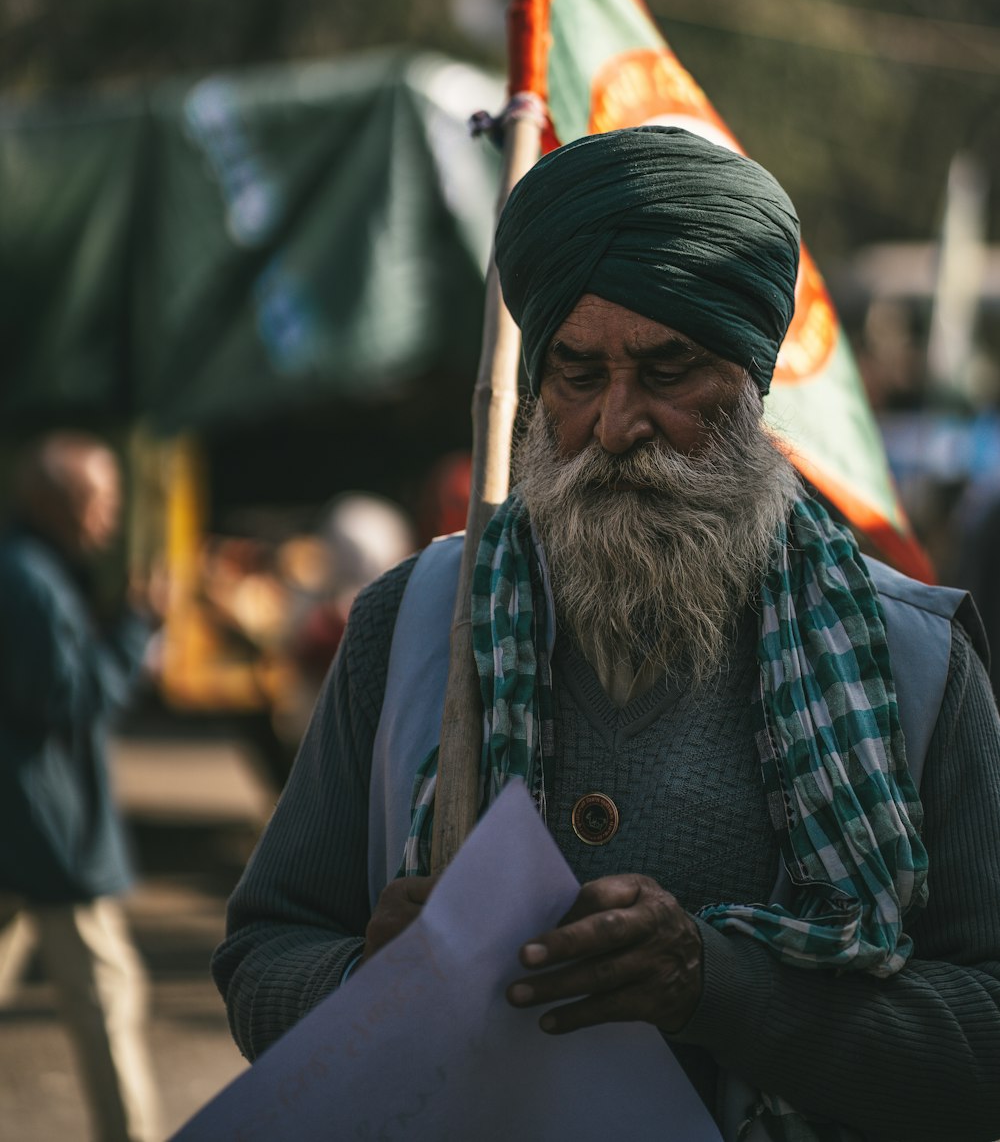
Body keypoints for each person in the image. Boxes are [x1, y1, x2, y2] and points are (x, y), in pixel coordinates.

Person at [212, 128, 1000, 1142]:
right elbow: (261, 959)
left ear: (751, 380)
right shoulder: (412, 626)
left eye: (667, 371)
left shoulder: (914, 661)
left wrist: (721, 987)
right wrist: (374, 983)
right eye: (576, 375)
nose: (616, 423)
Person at [0, 433, 162, 1142]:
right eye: (101, 501)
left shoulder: (27, 570)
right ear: (57, 503)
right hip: (51, 833)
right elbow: (71, 698)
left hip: (26, 826)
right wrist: (136, 629)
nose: (110, 517)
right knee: (107, 1000)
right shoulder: (30, 582)